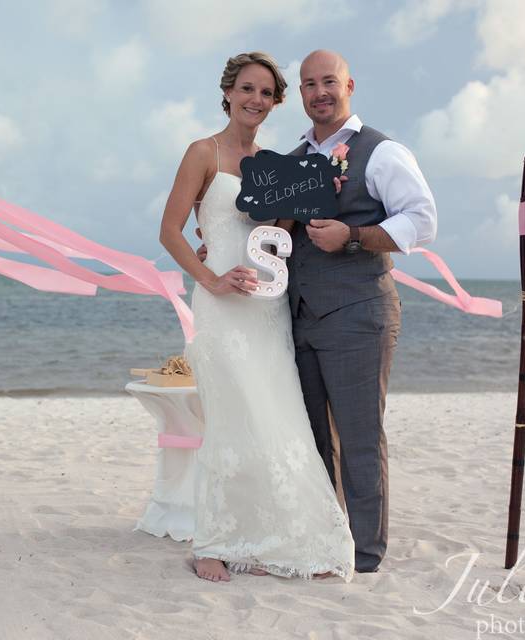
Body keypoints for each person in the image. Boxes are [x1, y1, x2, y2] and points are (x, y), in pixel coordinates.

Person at [159, 52, 355, 583]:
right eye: (247, 89)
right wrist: (212, 277)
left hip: (267, 311)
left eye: (267, 93)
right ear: (228, 93)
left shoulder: (278, 166)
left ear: (275, 102)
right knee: (229, 420)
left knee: (276, 415)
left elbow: (281, 237)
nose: (256, 100)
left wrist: (325, 199)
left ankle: (288, 532)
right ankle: (214, 543)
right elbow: (171, 232)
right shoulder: (202, 153)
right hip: (221, 307)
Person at [287, 50, 437, 573]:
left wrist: (352, 235)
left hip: (359, 313)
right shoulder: (293, 158)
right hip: (300, 316)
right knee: (313, 440)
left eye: (329, 81)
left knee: (359, 437)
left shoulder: (381, 151)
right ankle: (330, 541)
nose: (320, 92)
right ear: (300, 94)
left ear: (349, 84)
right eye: (309, 84)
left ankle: (367, 554)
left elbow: (421, 221)